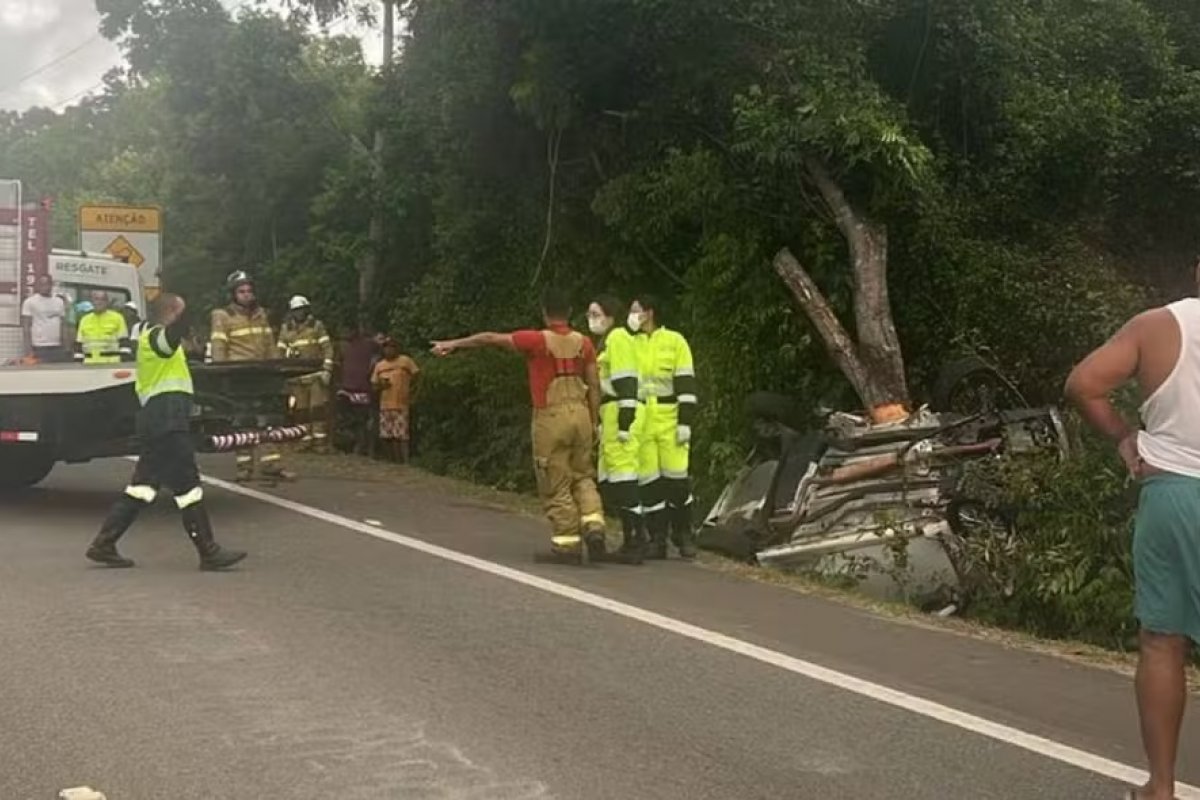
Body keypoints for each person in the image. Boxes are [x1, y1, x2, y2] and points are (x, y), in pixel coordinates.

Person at [1064, 259, 1200, 800]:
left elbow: (1083, 384)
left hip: (1173, 496)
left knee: (1163, 642)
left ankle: (1161, 788)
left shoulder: (1157, 326)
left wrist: (1125, 438)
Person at [431, 288, 608, 563]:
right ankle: (594, 525)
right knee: (583, 475)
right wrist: (594, 421)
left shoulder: (536, 340)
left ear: (544, 312)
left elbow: (489, 338)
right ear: (570, 312)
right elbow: (595, 384)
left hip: (551, 417)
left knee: (555, 479)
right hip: (582, 415)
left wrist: (453, 344)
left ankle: (567, 545)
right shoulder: (584, 343)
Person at [85, 292, 246, 571]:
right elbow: (171, 338)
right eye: (180, 313)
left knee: (143, 487)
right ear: (172, 313)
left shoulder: (155, 340)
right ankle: (208, 551)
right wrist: (185, 319)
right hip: (166, 421)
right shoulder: (155, 337)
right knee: (188, 486)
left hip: (157, 420)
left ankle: (104, 544)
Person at [628, 293, 699, 560]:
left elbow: (686, 384)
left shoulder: (674, 341)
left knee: (677, 480)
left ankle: (683, 534)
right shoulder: (629, 343)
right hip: (641, 415)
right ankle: (656, 537)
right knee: (649, 482)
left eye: (636, 310)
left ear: (649, 312)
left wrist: (685, 421)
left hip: (669, 416)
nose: (632, 315)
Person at [209, 270, 294, 483]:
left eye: (249, 290)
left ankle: (271, 465)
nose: (247, 295)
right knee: (243, 422)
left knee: (270, 420)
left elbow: (270, 344)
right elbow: (219, 346)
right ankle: (244, 467)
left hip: (263, 374)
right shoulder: (222, 316)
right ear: (232, 294)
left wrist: (277, 369)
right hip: (239, 376)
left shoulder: (261, 314)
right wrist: (221, 375)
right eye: (241, 291)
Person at [587, 295, 647, 564]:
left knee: (624, 478)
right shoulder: (608, 341)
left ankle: (636, 540)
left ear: (611, 317)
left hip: (622, 412)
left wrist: (625, 421)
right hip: (611, 414)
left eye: (596, 314)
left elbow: (626, 381)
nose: (592, 319)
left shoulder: (618, 339)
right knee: (613, 479)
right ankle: (630, 539)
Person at [278, 295, 335, 452]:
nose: (299, 313)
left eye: (301, 310)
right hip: (296, 377)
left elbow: (327, 348)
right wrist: (282, 374)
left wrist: (327, 370)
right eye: (296, 310)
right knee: (300, 411)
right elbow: (280, 352)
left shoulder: (316, 326)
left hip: (315, 374)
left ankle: (319, 442)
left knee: (317, 409)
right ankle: (304, 439)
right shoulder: (286, 329)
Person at [371, 337, 420, 463]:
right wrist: (382, 386)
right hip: (385, 404)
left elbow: (418, 377)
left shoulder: (405, 361)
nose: (389, 350)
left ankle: (405, 461)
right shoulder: (380, 365)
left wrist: (414, 394)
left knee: (402, 435)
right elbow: (374, 386)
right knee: (387, 435)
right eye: (386, 348)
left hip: (401, 403)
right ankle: (391, 460)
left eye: (392, 347)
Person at [337, 322, 381, 456]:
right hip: (346, 388)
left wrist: (373, 365)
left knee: (362, 419)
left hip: (362, 388)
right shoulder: (342, 346)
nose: (345, 334)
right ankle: (350, 445)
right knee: (347, 418)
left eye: (347, 331)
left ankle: (363, 448)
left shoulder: (368, 343)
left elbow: (380, 349)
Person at [21, 273, 69, 362]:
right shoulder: (30, 302)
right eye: (42, 284)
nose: (44, 287)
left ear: (51, 285)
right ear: (38, 285)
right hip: (39, 346)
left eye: (47, 284)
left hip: (57, 346)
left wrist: (66, 346)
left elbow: (63, 325)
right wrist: (29, 349)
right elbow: (26, 327)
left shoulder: (59, 302)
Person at [74, 290, 131, 364]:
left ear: (107, 302)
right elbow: (79, 345)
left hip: (111, 364)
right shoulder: (84, 320)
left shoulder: (117, 318)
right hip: (89, 364)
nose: (99, 302)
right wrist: (78, 365)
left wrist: (124, 364)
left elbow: (124, 344)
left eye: (102, 299)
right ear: (92, 302)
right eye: (96, 299)